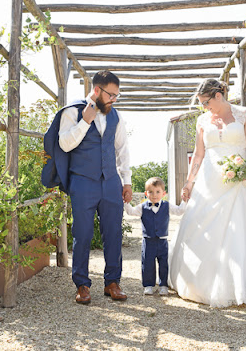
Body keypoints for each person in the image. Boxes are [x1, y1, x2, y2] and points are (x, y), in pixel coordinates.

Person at [168, 79, 246, 307]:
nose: (204, 107)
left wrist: (245, 169)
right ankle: (198, 283)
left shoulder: (244, 114)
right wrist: (189, 182)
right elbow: (200, 155)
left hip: (239, 181)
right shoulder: (203, 121)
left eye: (206, 102)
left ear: (218, 96)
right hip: (209, 182)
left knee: (242, 230)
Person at [57, 70, 133, 305]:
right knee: (83, 234)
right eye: (111, 95)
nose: (114, 100)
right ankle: (82, 284)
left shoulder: (116, 116)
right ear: (97, 90)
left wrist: (126, 180)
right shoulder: (72, 111)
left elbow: (122, 149)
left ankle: (112, 282)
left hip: (110, 181)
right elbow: (65, 144)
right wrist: (85, 121)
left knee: (113, 232)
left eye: (117, 96)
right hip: (82, 181)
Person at [124, 177, 187, 296]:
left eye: (158, 192)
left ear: (164, 193)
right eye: (151, 192)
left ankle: (163, 285)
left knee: (163, 263)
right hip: (148, 241)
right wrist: (126, 202)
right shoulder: (142, 207)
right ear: (146, 193)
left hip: (162, 241)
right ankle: (148, 285)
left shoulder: (167, 206)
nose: (154, 195)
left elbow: (179, 211)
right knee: (147, 263)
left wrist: (184, 200)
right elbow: (131, 212)